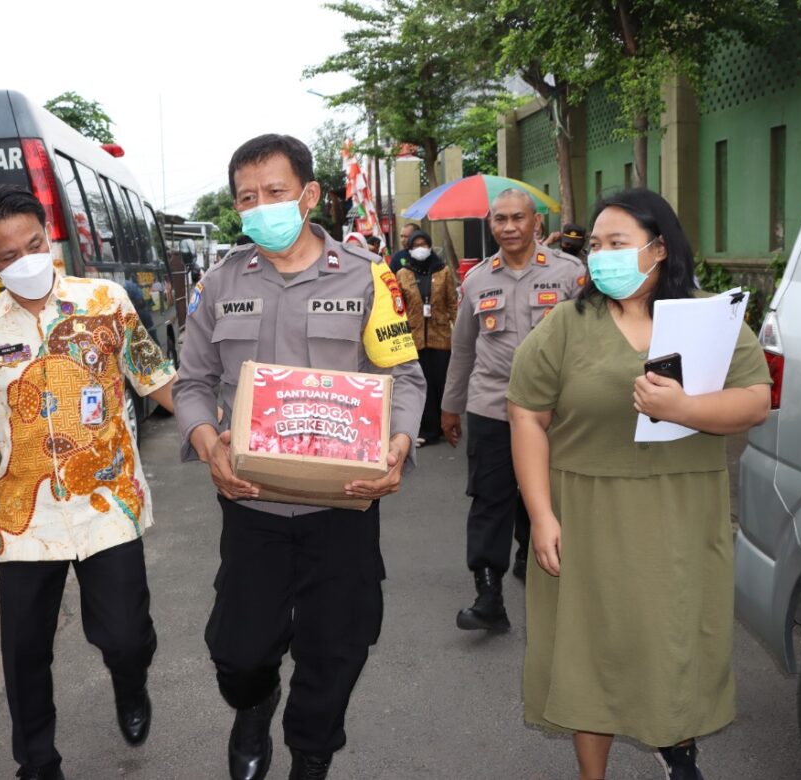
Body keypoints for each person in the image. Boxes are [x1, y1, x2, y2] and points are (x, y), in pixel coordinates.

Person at [174, 133, 425, 780]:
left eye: (276, 193)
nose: (262, 208)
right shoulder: (219, 283)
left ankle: (311, 754)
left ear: (309, 195)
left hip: (343, 506)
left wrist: (398, 443)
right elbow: (193, 383)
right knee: (238, 653)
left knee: (338, 646)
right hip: (251, 503)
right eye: (247, 198)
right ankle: (252, 706)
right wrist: (208, 446)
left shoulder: (368, 276)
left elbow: (405, 377)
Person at [507, 188, 771, 780]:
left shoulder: (713, 318)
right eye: (595, 245)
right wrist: (542, 515)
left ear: (659, 249)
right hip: (587, 513)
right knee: (589, 651)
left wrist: (683, 409)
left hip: (679, 512)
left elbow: (755, 401)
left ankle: (678, 750)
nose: (601, 256)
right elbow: (526, 412)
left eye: (616, 244)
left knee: (673, 643)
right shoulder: (567, 325)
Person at [0, 184, 176, 780]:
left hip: (107, 502)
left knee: (123, 637)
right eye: (9, 255)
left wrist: (216, 430)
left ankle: (130, 679)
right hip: (24, 516)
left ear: (50, 237)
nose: (27, 259)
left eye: (35, 243)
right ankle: (37, 764)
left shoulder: (106, 301)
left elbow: (157, 380)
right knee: (24, 653)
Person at [440, 188, 583, 632]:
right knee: (489, 497)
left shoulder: (569, 274)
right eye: (499, 219)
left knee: (551, 492)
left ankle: (545, 562)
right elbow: (463, 348)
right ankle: (488, 594)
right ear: (491, 225)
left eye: (517, 218)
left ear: (536, 222)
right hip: (491, 405)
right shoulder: (478, 280)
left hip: (554, 410)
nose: (509, 227)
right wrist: (451, 405)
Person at [395, 228, 457, 446]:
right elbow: (397, 308)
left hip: (440, 336)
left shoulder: (444, 271)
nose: (420, 249)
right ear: (409, 249)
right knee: (421, 384)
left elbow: (452, 302)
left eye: (424, 244)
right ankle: (425, 429)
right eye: (416, 245)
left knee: (440, 382)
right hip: (414, 338)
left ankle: (444, 425)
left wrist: (459, 330)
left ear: (430, 246)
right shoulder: (402, 274)